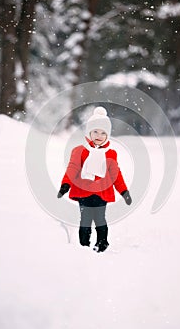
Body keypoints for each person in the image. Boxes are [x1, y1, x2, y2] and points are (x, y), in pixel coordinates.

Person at [57, 106, 132, 252]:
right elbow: (72, 169)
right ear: (88, 132)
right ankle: (84, 245)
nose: (99, 135)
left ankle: (102, 243)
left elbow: (116, 174)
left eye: (103, 133)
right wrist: (65, 185)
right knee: (85, 220)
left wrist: (124, 191)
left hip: (101, 193)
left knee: (100, 219)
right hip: (83, 192)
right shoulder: (79, 151)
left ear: (108, 135)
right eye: (95, 131)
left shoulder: (110, 154)